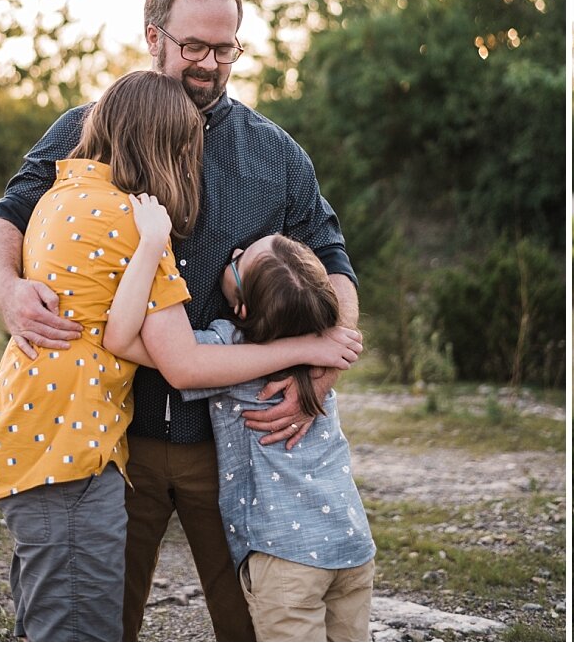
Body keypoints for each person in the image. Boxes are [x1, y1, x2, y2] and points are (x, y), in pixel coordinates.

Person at [0, 0, 360, 641]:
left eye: (226, 48)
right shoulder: (90, 126)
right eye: (194, 47)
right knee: (99, 616)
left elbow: (331, 261)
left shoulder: (277, 155)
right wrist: (7, 289)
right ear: (154, 36)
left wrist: (322, 368)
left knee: (251, 623)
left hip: (229, 441)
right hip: (113, 441)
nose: (210, 64)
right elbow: (5, 216)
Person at [108, 232, 377, 642]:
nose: (232, 250)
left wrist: (145, 253)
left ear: (244, 308)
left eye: (240, 260)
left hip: (286, 558)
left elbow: (128, 342)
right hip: (352, 546)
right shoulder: (324, 350)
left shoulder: (227, 349)